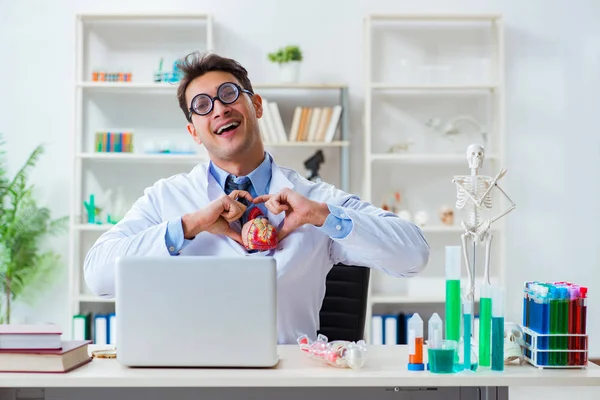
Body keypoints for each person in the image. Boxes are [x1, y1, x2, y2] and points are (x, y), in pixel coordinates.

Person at [83, 51, 430, 344]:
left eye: (229, 94)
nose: (219, 109)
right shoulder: (166, 199)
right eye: (202, 105)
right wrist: (191, 225)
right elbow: (97, 277)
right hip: (192, 383)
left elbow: (413, 255)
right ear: (194, 132)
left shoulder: (313, 197)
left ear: (257, 106)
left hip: (288, 384)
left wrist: (322, 216)